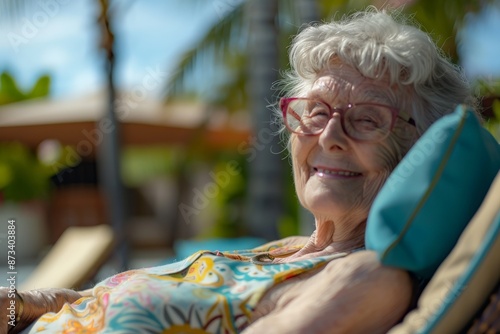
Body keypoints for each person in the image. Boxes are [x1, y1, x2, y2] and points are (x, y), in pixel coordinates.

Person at [1, 7, 476, 334]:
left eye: (368, 119)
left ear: (418, 149)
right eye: (314, 112)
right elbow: (96, 303)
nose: (328, 135)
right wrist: (19, 304)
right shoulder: (279, 253)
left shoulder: (366, 278)